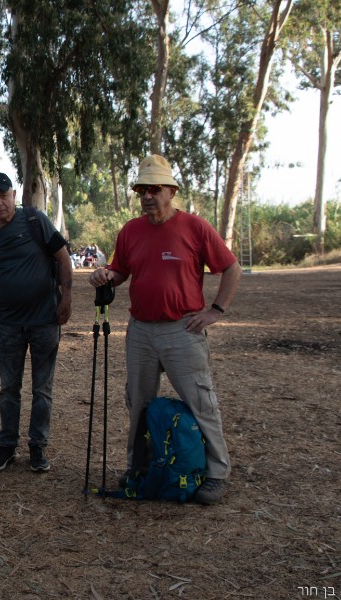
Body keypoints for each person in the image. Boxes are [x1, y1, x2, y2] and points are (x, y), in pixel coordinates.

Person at [87, 154, 241, 506]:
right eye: (142, 189)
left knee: (200, 401)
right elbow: (121, 271)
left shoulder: (195, 227)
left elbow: (231, 268)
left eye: (155, 189)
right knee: (138, 402)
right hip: (140, 330)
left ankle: (217, 473)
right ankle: (138, 468)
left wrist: (215, 310)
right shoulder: (130, 230)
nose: (147, 196)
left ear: (171, 191)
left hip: (182, 329)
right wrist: (105, 275)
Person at [0, 172, 73, 473]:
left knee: (42, 389)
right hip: (8, 324)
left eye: (3, 195)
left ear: (14, 195)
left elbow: (62, 257)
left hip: (45, 320)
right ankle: (7, 446)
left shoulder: (34, 219)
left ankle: (37, 447)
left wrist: (66, 298)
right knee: (9, 388)